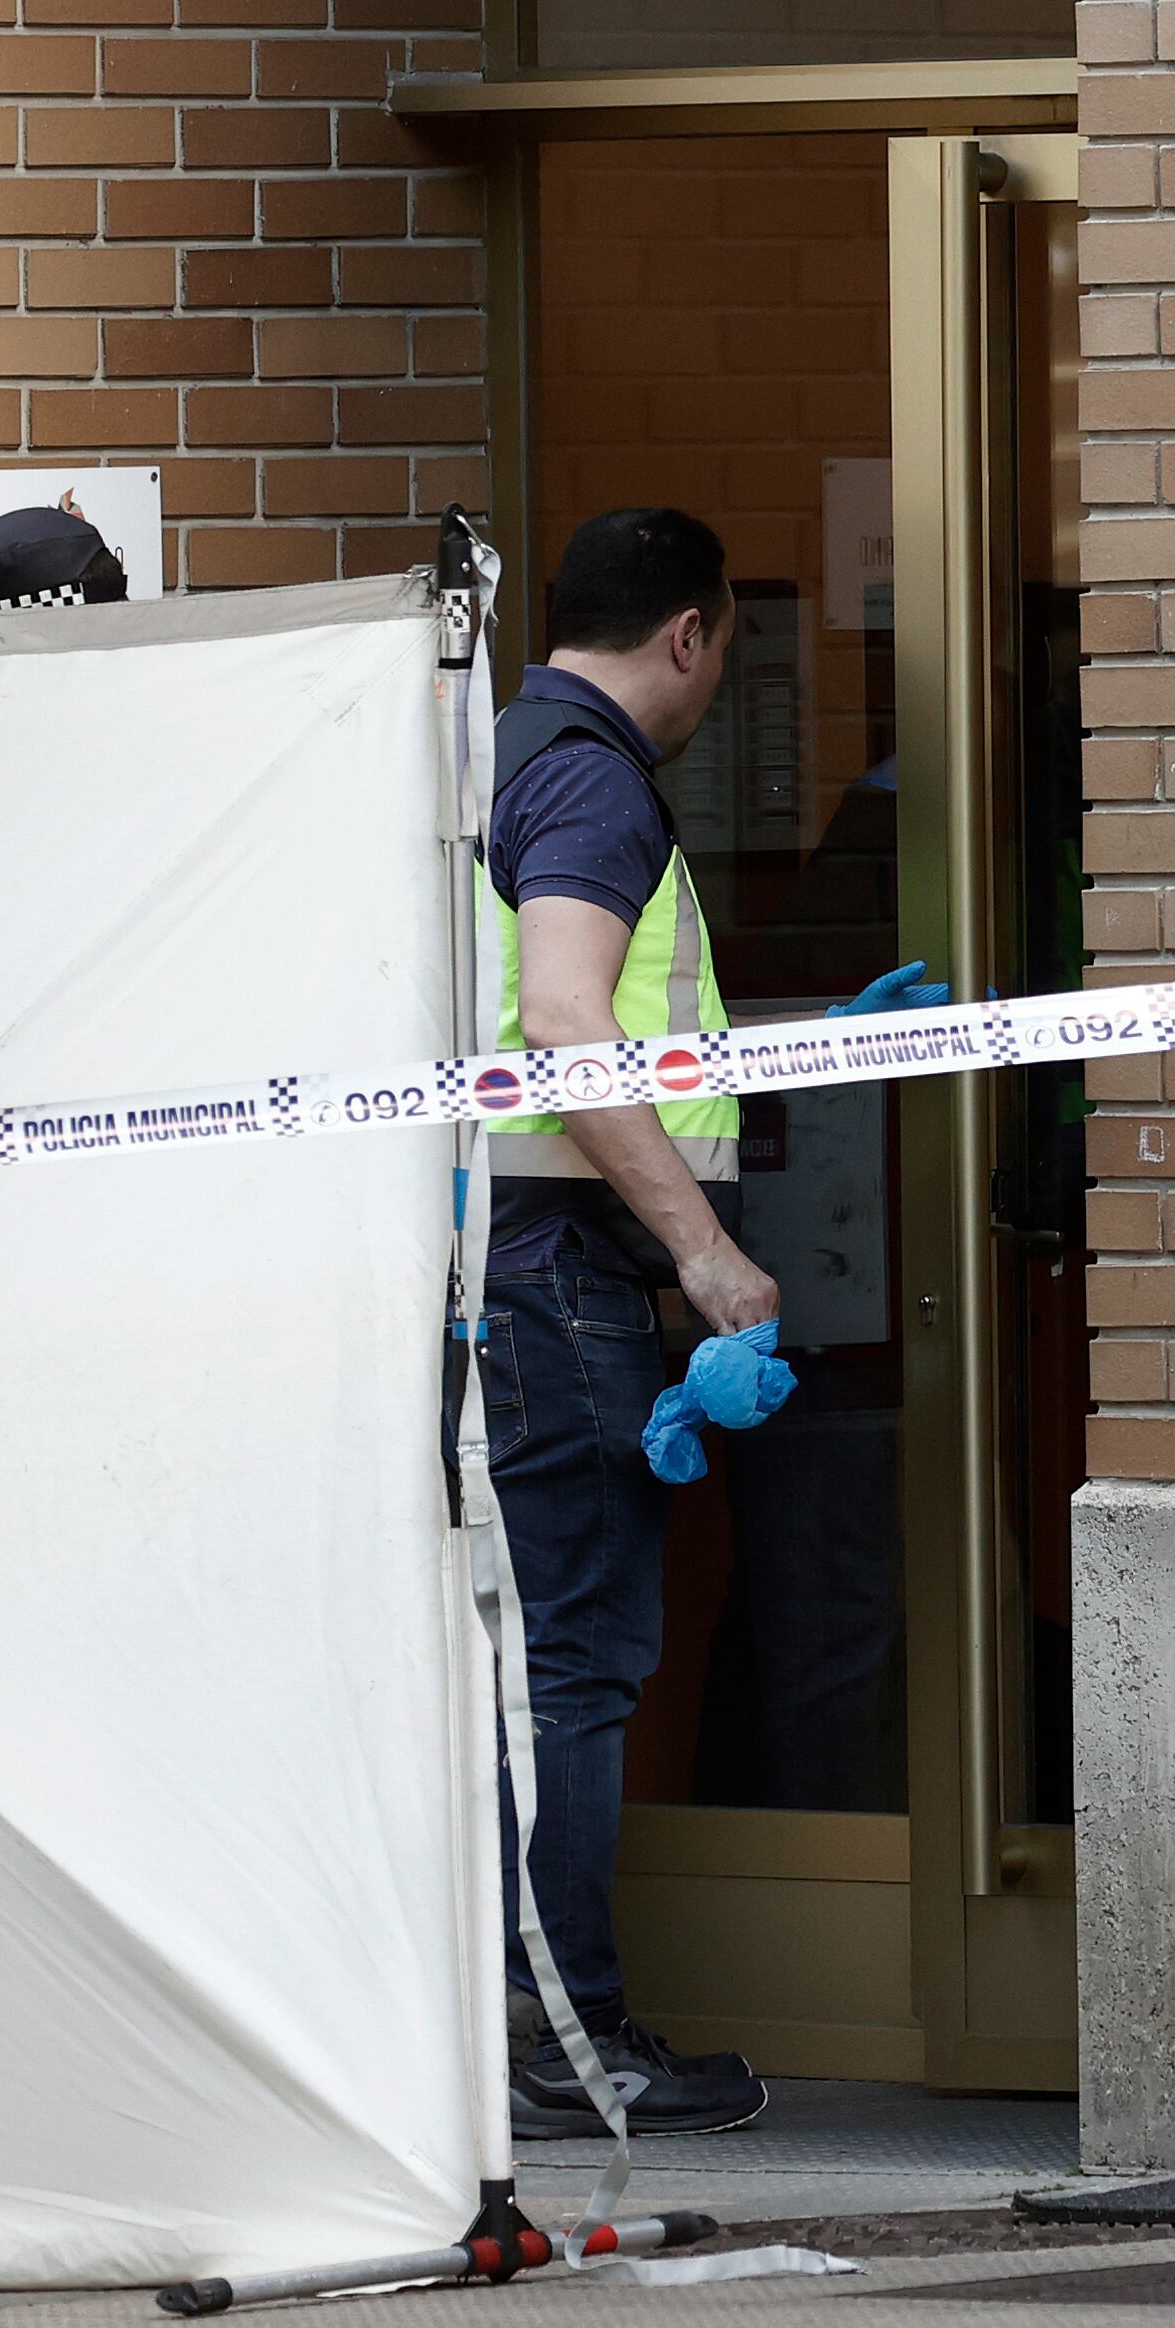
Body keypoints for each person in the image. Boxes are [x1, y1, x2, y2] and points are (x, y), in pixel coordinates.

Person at [467, 507, 774, 2139]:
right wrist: (706, 1251)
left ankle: (526, 2020)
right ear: (687, 634)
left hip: (493, 1270)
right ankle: (569, 2036)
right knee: (578, 1666)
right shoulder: (589, 776)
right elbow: (570, 1017)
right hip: (556, 1278)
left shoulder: (491, 750)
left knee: (531, 1660)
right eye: (725, 647)